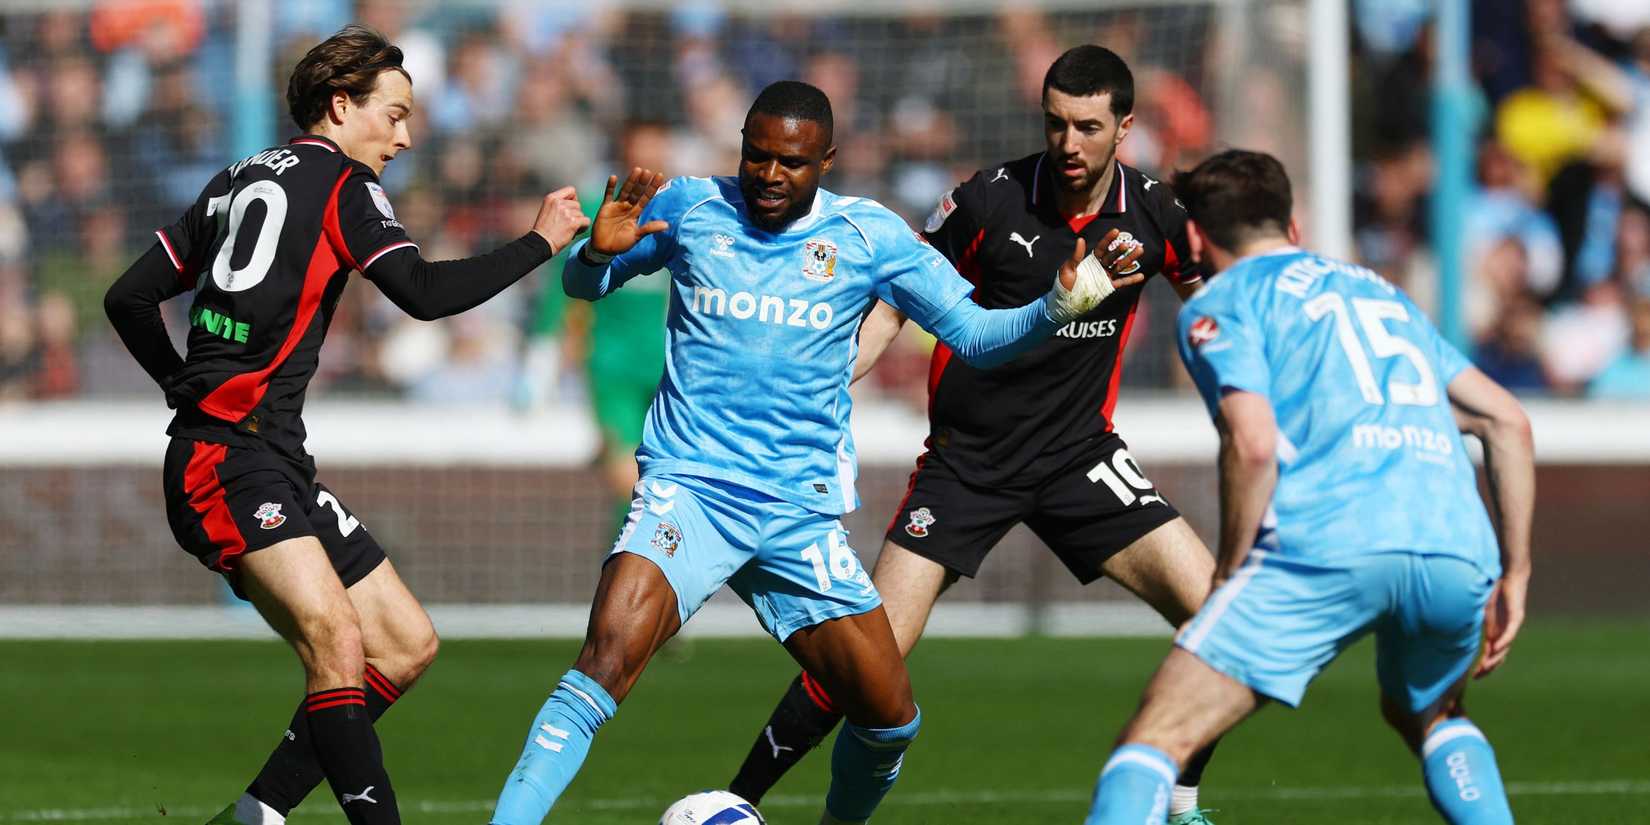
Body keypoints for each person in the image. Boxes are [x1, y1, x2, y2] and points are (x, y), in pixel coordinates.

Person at [486, 80, 1140, 825]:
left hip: (798, 515)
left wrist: (1057, 306)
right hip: (691, 490)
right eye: (756, 155)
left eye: (789, 163)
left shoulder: (872, 238)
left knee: (891, 714)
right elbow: (584, 284)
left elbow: (977, 337)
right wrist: (594, 261)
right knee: (604, 659)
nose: (768, 175)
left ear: (825, 160)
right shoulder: (691, 206)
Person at [102, 26, 591, 825]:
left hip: (264, 455)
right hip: (227, 462)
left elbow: (128, 294)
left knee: (403, 642)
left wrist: (176, 384)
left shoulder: (237, 176)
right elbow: (424, 294)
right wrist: (540, 241)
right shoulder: (344, 186)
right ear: (340, 107)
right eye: (393, 114)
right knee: (336, 639)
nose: (404, 135)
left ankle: (256, 812)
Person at [728, 45, 1223, 825]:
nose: (1069, 144)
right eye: (1056, 123)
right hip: (967, 464)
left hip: (1079, 456)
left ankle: (1181, 801)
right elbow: (895, 301)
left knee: (1220, 615)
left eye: (1089, 127)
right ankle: (733, 802)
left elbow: (1216, 312)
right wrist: (825, 376)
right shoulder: (989, 200)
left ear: (1125, 128)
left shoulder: (1157, 212)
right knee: (867, 661)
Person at [1084, 150, 1533, 825]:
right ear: (1292, 226)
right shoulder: (1381, 291)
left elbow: (1253, 442)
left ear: (1198, 241)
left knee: (1155, 740)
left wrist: (1229, 572)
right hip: (1456, 547)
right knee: (1431, 711)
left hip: (1330, 541)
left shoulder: (1221, 304)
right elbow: (1506, 420)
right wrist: (1517, 571)